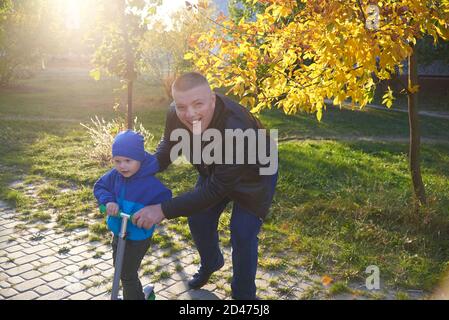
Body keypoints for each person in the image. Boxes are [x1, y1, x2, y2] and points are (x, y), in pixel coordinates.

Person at [132, 72, 278, 300]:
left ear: (212, 99)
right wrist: (140, 169)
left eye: (198, 104)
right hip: (217, 170)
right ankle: (212, 262)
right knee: (198, 218)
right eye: (181, 106)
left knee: (242, 233)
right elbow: (169, 145)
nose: (189, 114)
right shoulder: (176, 112)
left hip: (255, 176)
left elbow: (215, 190)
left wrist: (161, 210)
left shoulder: (235, 129)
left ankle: (244, 296)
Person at [93, 130, 172, 300]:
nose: (122, 166)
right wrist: (108, 202)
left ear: (140, 159)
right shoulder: (115, 176)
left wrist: (153, 213)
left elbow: (165, 202)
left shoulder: (150, 183)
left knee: (127, 274)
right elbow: (100, 186)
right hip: (118, 231)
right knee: (119, 268)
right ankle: (139, 295)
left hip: (138, 236)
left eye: (128, 161)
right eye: (117, 161)